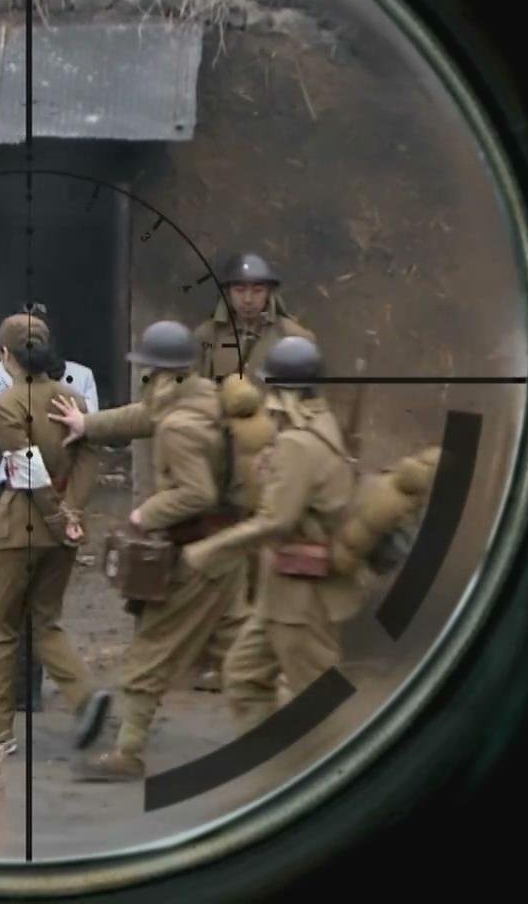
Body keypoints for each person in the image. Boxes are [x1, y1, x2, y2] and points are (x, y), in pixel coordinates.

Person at [47, 320, 242, 780]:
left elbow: (196, 493)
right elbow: (145, 415)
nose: (145, 379)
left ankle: (127, 753)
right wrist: (88, 425)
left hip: (196, 554)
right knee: (244, 646)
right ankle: (303, 729)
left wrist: (145, 514)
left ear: (161, 372)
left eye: (148, 371)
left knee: (151, 650)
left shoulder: (180, 427)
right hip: (227, 552)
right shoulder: (200, 396)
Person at [178, 336, 361, 733]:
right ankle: (276, 759)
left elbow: (275, 521)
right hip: (278, 592)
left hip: (301, 596)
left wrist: (209, 549)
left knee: (319, 702)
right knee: (244, 677)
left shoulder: (298, 442)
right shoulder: (320, 425)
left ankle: (344, 763)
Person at [0, 312, 111, 748]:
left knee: (1, 627)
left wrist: (55, 517)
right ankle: (85, 695)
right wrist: (72, 514)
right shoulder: (73, 400)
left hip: (20, 525)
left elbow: (26, 468)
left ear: (6, 355)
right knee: (45, 621)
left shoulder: (6, 405)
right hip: (64, 532)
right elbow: (89, 459)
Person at [189, 251, 316, 691]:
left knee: (269, 564)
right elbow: (195, 396)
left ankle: (270, 662)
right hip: (222, 462)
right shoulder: (207, 337)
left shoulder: (295, 339)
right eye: (240, 290)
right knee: (223, 561)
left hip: (272, 461)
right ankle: (219, 659)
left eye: (257, 290)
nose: (248, 299)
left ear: (270, 293)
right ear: (228, 292)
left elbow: (309, 403)